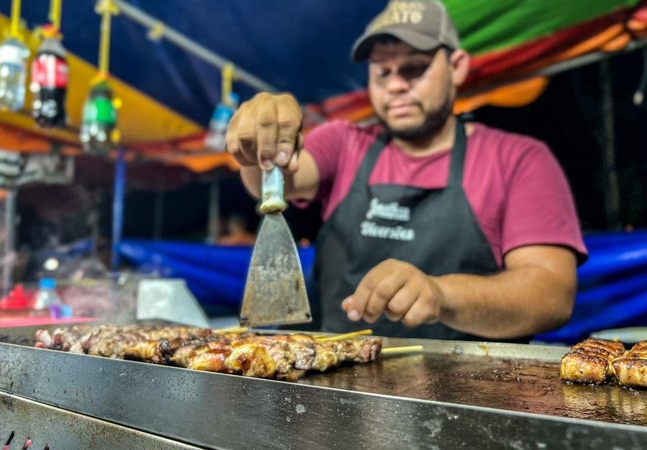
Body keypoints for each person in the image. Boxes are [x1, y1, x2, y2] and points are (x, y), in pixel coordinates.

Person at [225, 0, 587, 341]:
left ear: (457, 66)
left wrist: (441, 294)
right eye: (383, 72)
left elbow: (552, 296)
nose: (396, 85)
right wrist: (262, 139)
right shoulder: (345, 143)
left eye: (414, 68)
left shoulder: (517, 159)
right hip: (337, 392)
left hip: (469, 394)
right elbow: (278, 182)